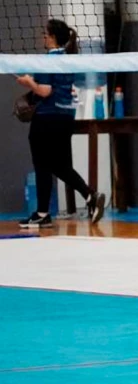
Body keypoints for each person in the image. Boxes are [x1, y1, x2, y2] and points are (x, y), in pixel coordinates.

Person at [18, 20, 106, 229]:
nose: (43, 37)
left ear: (52, 37)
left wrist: (29, 83)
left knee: (42, 166)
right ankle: (90, 195)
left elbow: (45, 91)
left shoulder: (48, 60)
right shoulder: (68, 60)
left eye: (45, 33)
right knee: (60, 165)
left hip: (47, 118)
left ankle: (42, 214)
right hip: (66, 118)